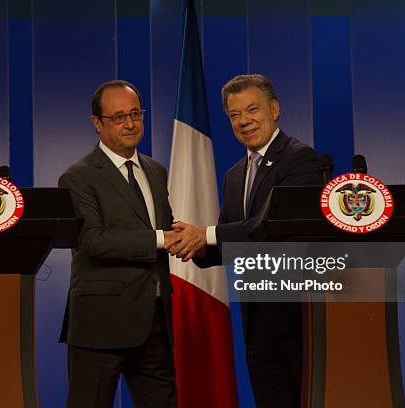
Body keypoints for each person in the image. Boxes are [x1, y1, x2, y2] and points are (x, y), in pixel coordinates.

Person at [171, 74, 323, 407]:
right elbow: (231, 238)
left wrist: (205, 234)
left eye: (252, 110)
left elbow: (274, 226)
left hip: (298, 317)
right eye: (235, 114)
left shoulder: (300, 159)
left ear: (274, 109)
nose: (244, 121)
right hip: (257, 320)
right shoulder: (235, 174)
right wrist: (191, 243)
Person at [58, 80, 178, 407]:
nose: (130, 124)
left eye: (135, 114)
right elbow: (92, 241)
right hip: (100, 326)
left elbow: (163, 229)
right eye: (118, 117)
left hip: (154, 321)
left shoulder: (155, 170)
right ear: (97, 123)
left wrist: (192, 238)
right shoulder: (77, 177)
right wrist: (162, 239)